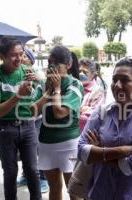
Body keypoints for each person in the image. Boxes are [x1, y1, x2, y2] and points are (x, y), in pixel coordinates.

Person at [78, 57, 132, 199]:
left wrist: (99, 152)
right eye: (114, 79)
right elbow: (81, 150)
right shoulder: (101, 113)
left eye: (125, 80)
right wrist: (122, 151)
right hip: (101, 192)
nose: (117, 85)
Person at [0, 37, 42, 200]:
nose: (19, 59)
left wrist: (40, 83)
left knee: (32, 169)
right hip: (5, 128)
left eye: (21, 54)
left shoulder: (26, 71)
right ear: (1, 56)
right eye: (13, 55)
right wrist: (18, 96)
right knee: (10, 172)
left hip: (28, 125)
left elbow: (35, 96)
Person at [31, 45, 83, 200]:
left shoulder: (75, 84)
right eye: (49, 64)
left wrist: (57, 89)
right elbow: (32, 111)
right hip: (47, 143)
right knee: (54, 188)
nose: (51, 68)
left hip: (69, 144)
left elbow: (59, 112)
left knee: (74, 191)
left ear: (68, 65)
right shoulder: (44, 84)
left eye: (56, 64)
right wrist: (48, 92)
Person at [16, 47, 49, 193]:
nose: (21, 58)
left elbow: (47, 90)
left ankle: (43, 179)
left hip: (36, 118)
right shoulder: (21, 72)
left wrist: (39, 79)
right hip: (23, 116)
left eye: (24, 56)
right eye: (19, 55)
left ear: (31, 58)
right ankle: (26, 175)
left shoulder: (37, 73)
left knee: (37, 149)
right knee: (25, 150)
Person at [79, 60, 107, 131]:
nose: (81, 74)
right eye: (79, 71)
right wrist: (82, 109)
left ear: (93, 75)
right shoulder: (74, 87)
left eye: (85, 72)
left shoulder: (98, 91)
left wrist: (75, 110)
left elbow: (93, 116)